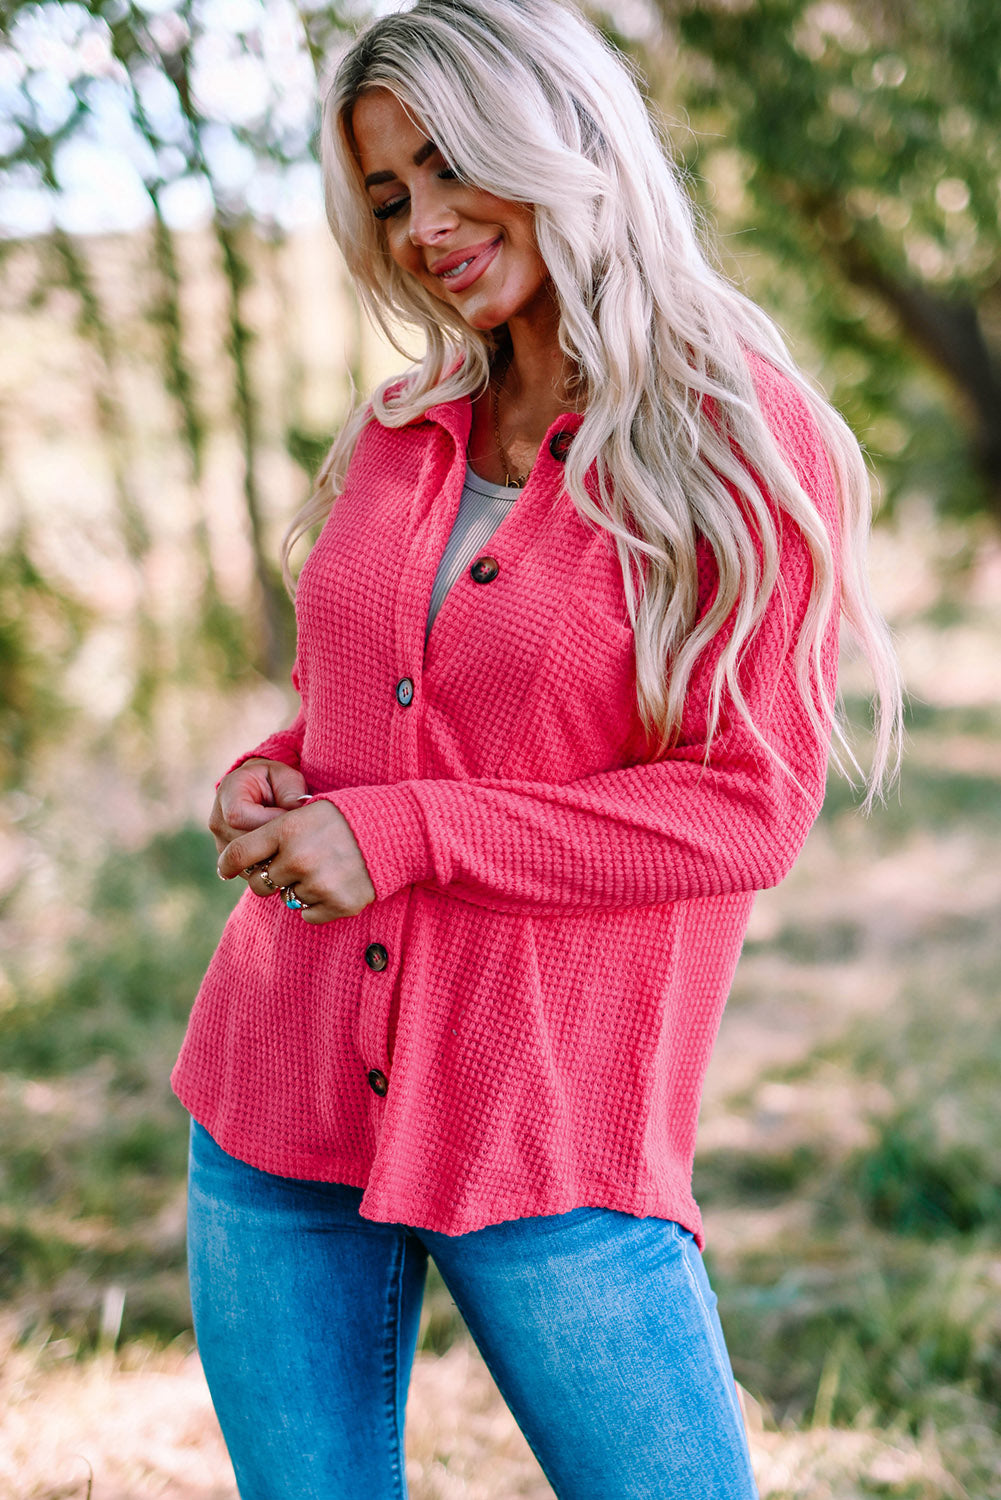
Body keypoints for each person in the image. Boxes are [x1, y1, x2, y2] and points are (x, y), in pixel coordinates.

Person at [172, 1, 901, 1495]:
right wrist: (278, 771)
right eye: (390, 196)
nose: (425, 227)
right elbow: (370, 707)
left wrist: (402, 833)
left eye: (452, 166)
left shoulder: (739, 439)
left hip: (544, 1120)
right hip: (278, 1084)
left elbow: (746, 808)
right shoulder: (404, 426)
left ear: (560, 141)